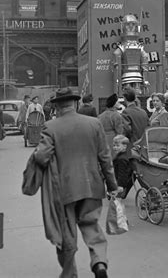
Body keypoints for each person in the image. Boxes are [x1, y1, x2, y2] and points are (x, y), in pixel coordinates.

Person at [32, 87, 119, 278]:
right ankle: (99, 263)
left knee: (67, 234)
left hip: (64, 189)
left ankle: (70, 273)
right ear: (75, 103)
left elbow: (41, 157)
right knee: (91, 226)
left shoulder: (51, 127)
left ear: (57, 106)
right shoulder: (94, 124)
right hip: (92, 185)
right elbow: (105, 159)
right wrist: (112, 186)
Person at [98, 94, 125, 158]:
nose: (119, 103)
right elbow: (120, 132)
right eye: (118, 102)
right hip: (113, 142)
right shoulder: (116, 115)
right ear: (114, 104)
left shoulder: (100, 116)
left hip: (102, 142)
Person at [112, 134, 134, 199]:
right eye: (114, 146)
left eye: (118, 146)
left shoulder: (121, 159)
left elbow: (122, 173)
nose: (115, 147)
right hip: (118, 182)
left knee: (116, 202)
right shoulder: (122, 156)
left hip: (120, 184)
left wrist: (120, 186)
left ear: (124, 147)